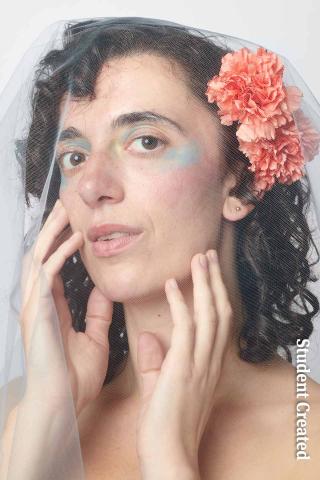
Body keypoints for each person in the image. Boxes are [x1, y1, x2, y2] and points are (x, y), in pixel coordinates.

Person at [1, 17, 320, 479]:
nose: (92, 186)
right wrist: (44, 429)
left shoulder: (308, 435)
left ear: (243, 184)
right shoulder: (25, 415)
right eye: (74, 157)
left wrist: (169, 459)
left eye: (146, 141)